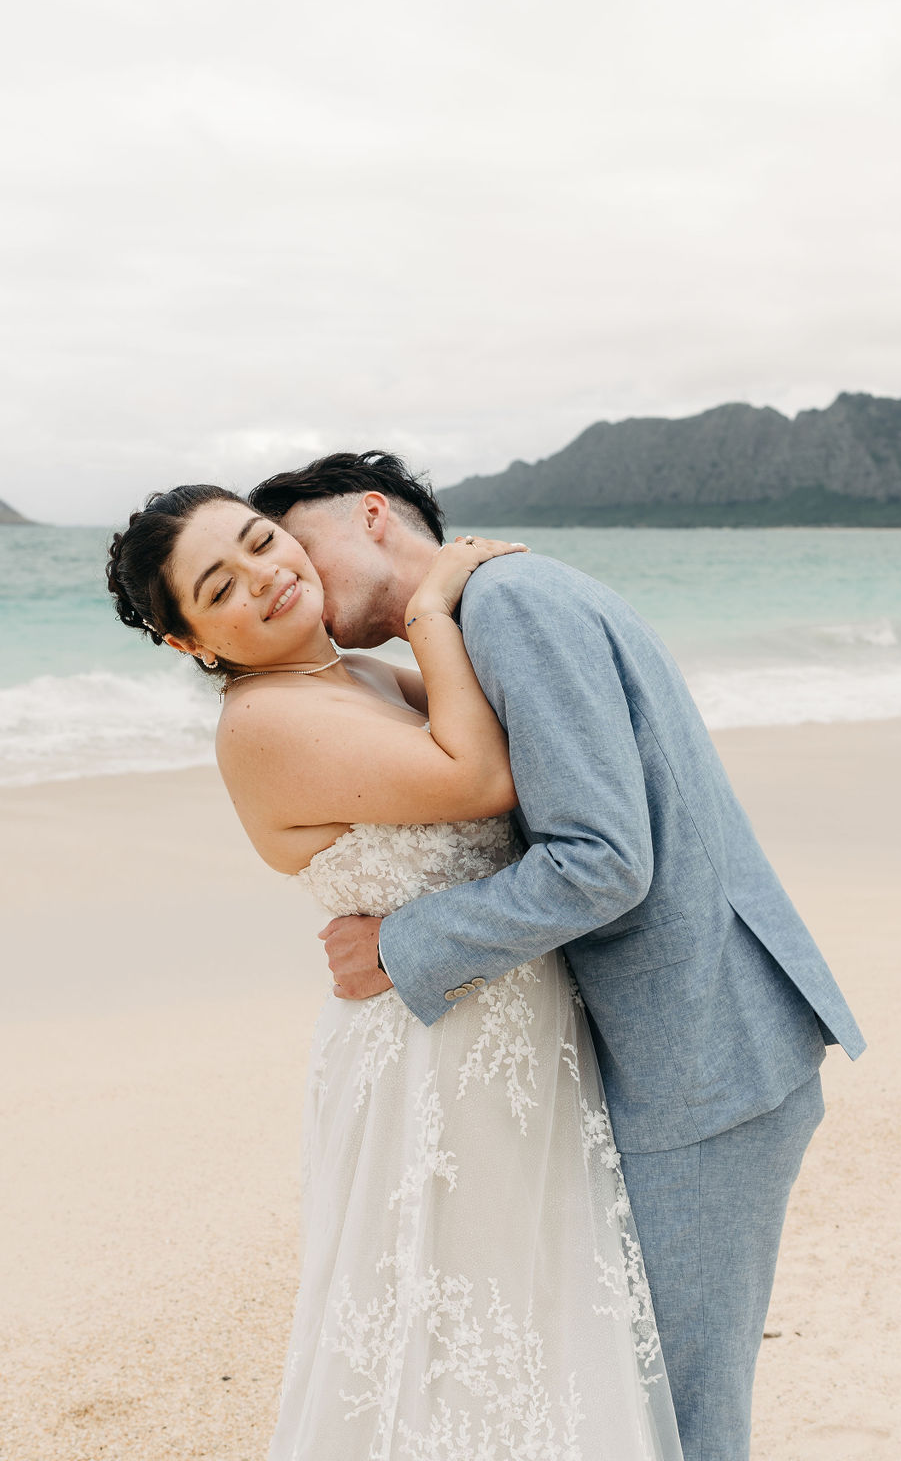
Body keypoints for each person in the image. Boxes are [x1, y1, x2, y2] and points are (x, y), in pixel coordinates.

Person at [247, 451, 867, 1461]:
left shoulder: (510, 606)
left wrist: (405, 943)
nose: (300, 590)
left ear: (370, 515)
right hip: (688, 1044)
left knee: (680, 1416)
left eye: (298, 549)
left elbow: (602, 863)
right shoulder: (478, 614)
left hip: (699, 1060)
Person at [105, 484, 686, 1461]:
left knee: (536, 1306)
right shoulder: (263, 722)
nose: (266, 575)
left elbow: (512, 738)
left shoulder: (365, 678)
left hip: (509, 1032)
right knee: (444, 1326)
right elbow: (480, 779)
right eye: (221, 584)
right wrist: (429, 607)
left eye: (261, 541)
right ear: (189, 642)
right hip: (432, 1061)